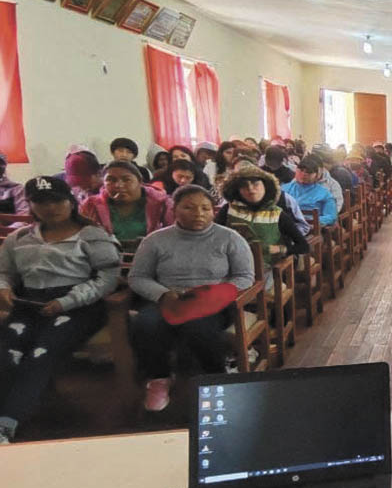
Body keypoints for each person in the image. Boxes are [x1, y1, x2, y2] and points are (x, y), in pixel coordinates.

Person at [0, 177, 121, 444]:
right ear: (31, 205)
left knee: (42, 354)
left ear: (70, 201)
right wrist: (4, 288)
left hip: (78, 306)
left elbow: (106, 279)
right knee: (7, 353)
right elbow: (5, 272)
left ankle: (7, 422)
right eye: (40, 202)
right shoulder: (19, 238)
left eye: (57, 200)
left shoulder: (92, 235)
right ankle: (17, 407)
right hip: (29, 305)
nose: (50, 208)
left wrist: (68, 301)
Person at [128, 185, 255, 411]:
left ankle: (215, 377)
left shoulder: (229, 238)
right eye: (189, 207)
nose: (199, 214)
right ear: (174, 209)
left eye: (205, 208)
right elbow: (138, 277)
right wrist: (163, 293)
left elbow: (245, 276)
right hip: (169, 299)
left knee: (199, 326)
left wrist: (215, 293)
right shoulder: (155, 240)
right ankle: (159, 378)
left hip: (211, 302)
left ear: (213, 211)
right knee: (146, 324)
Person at [215, 166, 309, 273]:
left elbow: (303, 246)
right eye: (244, 186)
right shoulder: (228, 210)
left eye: (256, 184)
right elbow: (213, 237)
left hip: (267, 269)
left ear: (266, 186)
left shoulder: (277, 214)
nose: (250, 189)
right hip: (231, 266)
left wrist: (279, 249)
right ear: (237, 190)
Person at [80, 161, 174, 248]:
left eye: (126, 180)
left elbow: (174, 236)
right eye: (111, 180)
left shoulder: (162, 203)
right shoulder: (90, 205)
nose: (119, 185)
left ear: (140, 182)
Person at [281, 155, 338, 227]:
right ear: (296, 171)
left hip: (312, 229)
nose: (304, 174)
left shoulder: (324, 194)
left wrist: (310, 220)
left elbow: (331, 216)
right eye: (301, 170)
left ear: (316, 175)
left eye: (309, 172)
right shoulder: (283, 189)